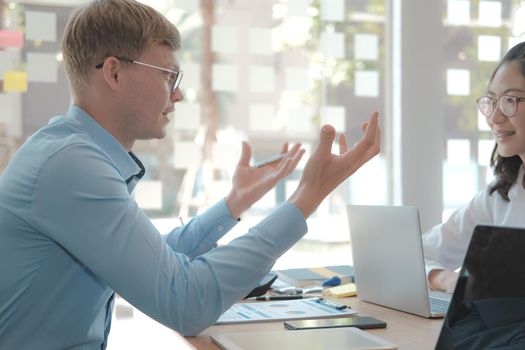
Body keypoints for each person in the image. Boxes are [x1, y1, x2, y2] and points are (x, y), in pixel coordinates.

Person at [0, 0, 380, 348]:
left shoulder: (72, 152)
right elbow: (186, 302)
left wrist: (233, 204)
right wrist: (308, 197)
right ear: (114, 73)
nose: (178, 95)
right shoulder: (71, 166)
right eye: (169, 75)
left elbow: (158, 258)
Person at [423, 41, 525, 293]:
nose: (494, 117)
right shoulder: (501, 194)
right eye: (492, 101)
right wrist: (446, 279)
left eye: (510, 100)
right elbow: (416, 254)